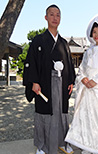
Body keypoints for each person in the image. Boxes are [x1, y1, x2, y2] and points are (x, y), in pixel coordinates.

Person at [23, 4, 75, 154]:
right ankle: (42, 146)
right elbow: (31, 61)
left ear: (60, 19)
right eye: (51, 14)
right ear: (46, 17)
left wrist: (71, 81)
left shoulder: (64, 43)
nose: (55, 17)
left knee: (61, 113)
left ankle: (62, 142)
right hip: (44, 84)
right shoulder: (38, 40)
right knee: (45, 114)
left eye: (58, 15)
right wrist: (33, 81)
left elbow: (70, 64)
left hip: (62, 83)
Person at [65, 12, 98, 154]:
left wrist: (96, 81)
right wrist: (83, 79)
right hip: (87, 88)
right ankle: (87, 145)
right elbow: (82, 68)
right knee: (86, 118)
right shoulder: (88, 51)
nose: (96, 34)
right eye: (94, 32)